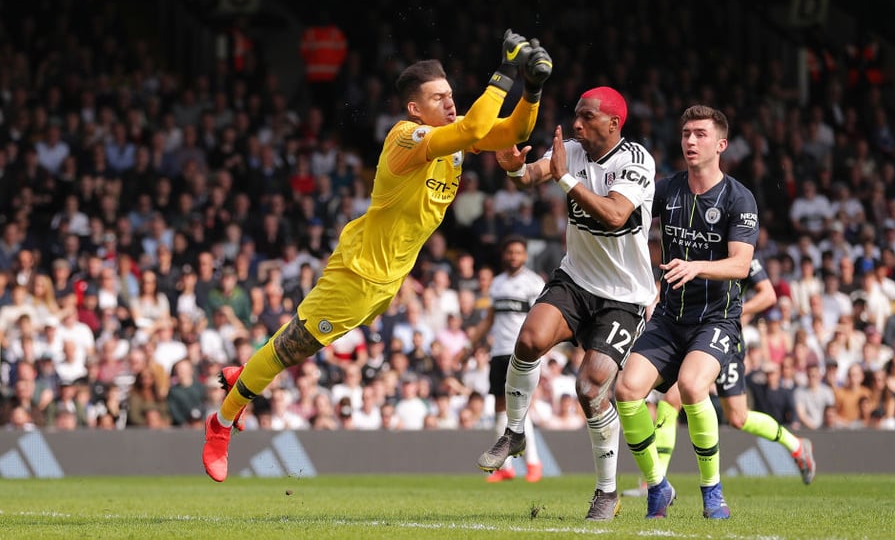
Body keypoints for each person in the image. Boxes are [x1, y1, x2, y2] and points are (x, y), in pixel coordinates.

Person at [202, 30, 553, 482]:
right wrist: (505, 70)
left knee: (290, 351)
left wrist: (532, 89)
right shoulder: (405, 138)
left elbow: (511, 131)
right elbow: (473, 128)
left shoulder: (455, 135)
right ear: (414, 109)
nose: (450, 103)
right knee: (291, 350)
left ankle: (245, 375)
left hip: (389, 280)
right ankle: (222, 422)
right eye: (439, 97)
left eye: (451, 95)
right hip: (356, 273)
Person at [476, 86, 657, 521]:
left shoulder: (636, 162)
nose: (576, 124)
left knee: (590, 388)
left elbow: (614, 214)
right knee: (529, 340)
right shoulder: (572, 151)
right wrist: (516, 170)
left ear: (613, 124)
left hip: (623, 296)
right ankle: (515, 432)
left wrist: (563, 179)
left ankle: (607, 491)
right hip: (576, 279)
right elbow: (534, 174)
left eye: (587, 117)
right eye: (576, 115)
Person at [615, 105, 758, 520]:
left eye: (700, 134)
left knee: (693, 387)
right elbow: (631, 224)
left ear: (721, 144)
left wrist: (697, 266)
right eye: (686, 134)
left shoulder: (738, 198)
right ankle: (658, 487)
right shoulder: (668, 189)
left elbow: (741, 266)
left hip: (715, 319)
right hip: (668, 317)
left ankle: (712, 491)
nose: (691, 141)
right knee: (626, 391)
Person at [632, 256, 816, 498]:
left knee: (737, 418)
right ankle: (655, 483)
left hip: (726, 340)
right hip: (696, 336)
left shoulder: (739, 254)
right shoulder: (695, 246)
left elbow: (768, 295)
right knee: (671, 401)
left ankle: (797, 446)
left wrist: (740, 311)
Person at [466, 234, 547, 483]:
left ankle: (533, 463)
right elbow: (489, 319)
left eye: (518, 252)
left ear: (525, 255)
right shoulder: (497, 284)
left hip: (522, 353)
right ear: (504, 255)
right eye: (510, 252)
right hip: (498, 351)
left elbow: (543, 318)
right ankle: (505, 468)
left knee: (521, 409)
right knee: (500, 409)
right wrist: (469, 347)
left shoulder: (534, 283)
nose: (513, 256)